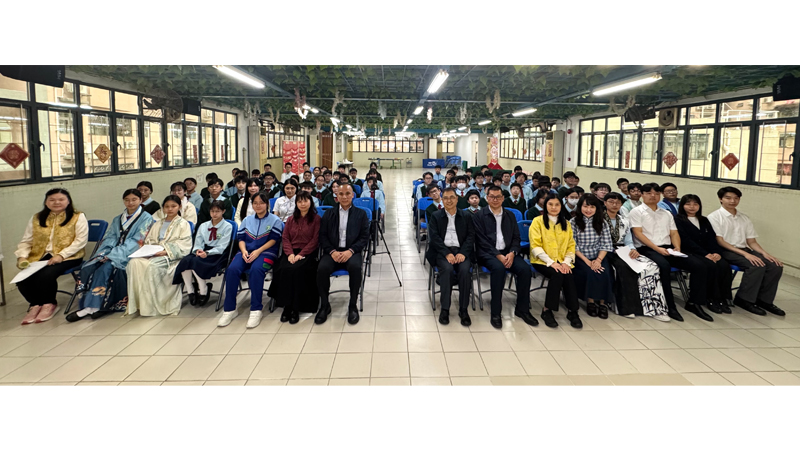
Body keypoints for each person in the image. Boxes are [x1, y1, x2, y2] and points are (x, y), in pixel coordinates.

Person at [67, 189, 155, 322]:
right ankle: (88, 304)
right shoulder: (118, 219)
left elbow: (137, 241)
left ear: (141, 200)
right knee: (89, 267)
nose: (130, 203)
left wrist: (114, 255)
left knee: (105, 269)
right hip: (111, 252)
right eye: (127, 200)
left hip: (129, 254)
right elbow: (110, 237)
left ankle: (94, 307)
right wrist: (105, 253)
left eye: (134, 200)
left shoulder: (147, 218)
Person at [629, 183, 712, 322]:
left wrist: (677, 247)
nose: (653, 196)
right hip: (647, 249)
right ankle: (669, 306)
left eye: (656, 193)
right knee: (664, 267)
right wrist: (657, 249)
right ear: (642, 195)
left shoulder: (666, 213)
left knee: (699, 265)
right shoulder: (636, 212)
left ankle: (694, 303)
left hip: (668, 248)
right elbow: (638, 234)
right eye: (648, 193)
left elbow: (674, 233)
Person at [708, 186, 785, 316]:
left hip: (744, 249)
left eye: (736, 198)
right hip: (725, 250)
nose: (732, 201)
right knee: (756, 265)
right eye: (728, 198)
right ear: (720, 199)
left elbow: (752, 242)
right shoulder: (714, 217)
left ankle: (764, 300)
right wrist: (746, 255)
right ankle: (744, 299)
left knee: (775, 265)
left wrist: (765, 254)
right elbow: (720, 241)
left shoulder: (744, 218)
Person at [16, 189, 88, 324]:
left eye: (61, 199)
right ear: (46, 202)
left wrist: (61, 255)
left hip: (69, 256)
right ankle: (35, 304)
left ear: (68, 201)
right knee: (22, 278)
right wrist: (22, 256)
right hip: (41, 256)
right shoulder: (37, 218)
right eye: (52, 200)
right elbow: (26, 241)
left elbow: (80, 241)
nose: (56, 202)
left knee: (45, 275)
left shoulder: (77, 216)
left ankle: (49, 303)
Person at [473, 186, 538, 329]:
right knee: (499, 269)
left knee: (525, 269)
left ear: (503, 198)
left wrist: (512, 252)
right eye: (492, 197)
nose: (495, 199)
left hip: (509, 252)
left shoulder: (510, 215)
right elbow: (481, 240)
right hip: (488, 253)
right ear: (487, 198)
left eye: (498, 197)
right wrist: (498, 255)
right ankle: (496, 312)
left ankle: (522, 309)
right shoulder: (479, 215)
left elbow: (516, 237)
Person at [218, 192, 284, 329]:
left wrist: (258, 251)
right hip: (246, 251)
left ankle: (256, 309)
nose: (258, 206)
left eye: (261, 203)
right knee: (232, 269)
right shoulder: (247, 220)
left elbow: (273, 240)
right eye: (255, 203)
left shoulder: (275, 220)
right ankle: (230, 309)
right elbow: (241, 239)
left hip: (266, 252)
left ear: (267, 204)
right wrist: (243, 251)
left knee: (256, 270)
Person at [602, 193, 670, 321]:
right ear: (605, 203)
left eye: (617, 202)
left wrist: (633, 249)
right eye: (611, 202)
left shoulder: (624, 221)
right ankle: (626, 308)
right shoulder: (599, 219)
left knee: (651, 266)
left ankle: (655, 308)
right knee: (624, 268)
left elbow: (628, 240)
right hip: (606, 251)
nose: (614, 205)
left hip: (624, 250)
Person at [125, 195, 193, 316]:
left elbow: (185, 245)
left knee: (152, 267)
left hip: (170, 256)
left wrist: (165, 251)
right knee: (133, 263)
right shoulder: (158, 223)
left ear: (179, 207)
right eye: (167, 206)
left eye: (173, 206)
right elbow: (149, 240)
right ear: (163, 208)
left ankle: (152, 305)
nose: (170, 209)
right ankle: (139, 304)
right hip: (154, 253)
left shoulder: (183, 224)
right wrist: (150, 250)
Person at [315, 184, 370, 326]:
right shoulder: (329, 214)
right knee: (322, 269)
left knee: (356, 268)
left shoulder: (361, 214)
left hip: (352, 251)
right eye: (341, 194)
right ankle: (325, 305)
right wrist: (332, 252)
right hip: (332, 251)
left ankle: (352, 305)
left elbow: (364, 237)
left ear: (353, 195)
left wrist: (350, 251)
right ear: (336, 196)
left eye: (347, 193)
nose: (344, 197)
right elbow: (322, 236)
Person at [528, 193, 582, 329]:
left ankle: (573, 311)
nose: (553, 207)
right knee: (557, 274)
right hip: (541, 260)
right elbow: (535, 245)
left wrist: (566, 262)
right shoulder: (537, 221)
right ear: (545, 205)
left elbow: (571, 245)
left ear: (561, 206)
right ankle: (547, 310)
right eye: (550, 204)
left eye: (557, 204)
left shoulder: (566, 223)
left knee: (568, 274)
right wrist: (551, 262)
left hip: (562, 260)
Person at [268, 191, 321, 324]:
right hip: (291, 252)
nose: (302, 204)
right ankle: (287, 305)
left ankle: (296, 307)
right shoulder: (291, 219)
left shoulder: (316, 219)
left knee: (297, 270)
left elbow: (315, 240)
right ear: (296, 203)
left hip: (308, 252)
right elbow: (285, 238)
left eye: (305, 201)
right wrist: (290, 253)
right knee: (282, 268)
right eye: (299, 201)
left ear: (310, 202)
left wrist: (301, 254)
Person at [675, 194, 733, 315]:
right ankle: (706, 299)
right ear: (682, 206)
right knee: (708, 266)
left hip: (707, 252)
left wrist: (716, 252)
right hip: (689, 251)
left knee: (723, 265)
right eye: (688, 204)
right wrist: (705, 254)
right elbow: (685, 241)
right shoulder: (678, 220)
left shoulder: (704, 220)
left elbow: (712, 238)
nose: (692, 207)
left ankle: (722, 298)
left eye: (695, 204)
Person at [426, 188, 475, 326]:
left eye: (452, 197)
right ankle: (445, 309)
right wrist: (446, 253)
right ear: (442, 200)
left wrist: (463, 253)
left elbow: (471, 236)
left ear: (457, 199)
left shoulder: (466, 216)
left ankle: (463, 310)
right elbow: (434, 238)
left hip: (461, 251)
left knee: (465, 271)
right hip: (442, 251)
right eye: (446, 198)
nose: (449, 201)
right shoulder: (436, 216)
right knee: (447, 270)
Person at [173, 200, 232, 307]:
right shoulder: (204, 225)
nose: (214, 214)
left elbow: (222, 246)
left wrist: (208, 253)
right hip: (203, 249)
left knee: (196, 262)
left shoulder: (227, 226)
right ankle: (190, 290)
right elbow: (198, 241)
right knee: (186, 261)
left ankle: (203, 289)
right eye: (212, 211)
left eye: (217, 211)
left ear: (223, 211)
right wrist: (198, 250)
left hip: (217, 253)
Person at [570, 194, 614, 319]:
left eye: (592, 207)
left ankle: (603, 303)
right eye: (585, 206)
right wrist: (587, 262)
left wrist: (598, 260)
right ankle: (590, 301)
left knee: (604, 272)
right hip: (580, 256)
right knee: (589, 272)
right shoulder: (573, 222)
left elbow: (606, 244)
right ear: (580, 207)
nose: (588, 210)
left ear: (596, 208)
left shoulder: (602, 222)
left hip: (598, 255)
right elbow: (573, 245)